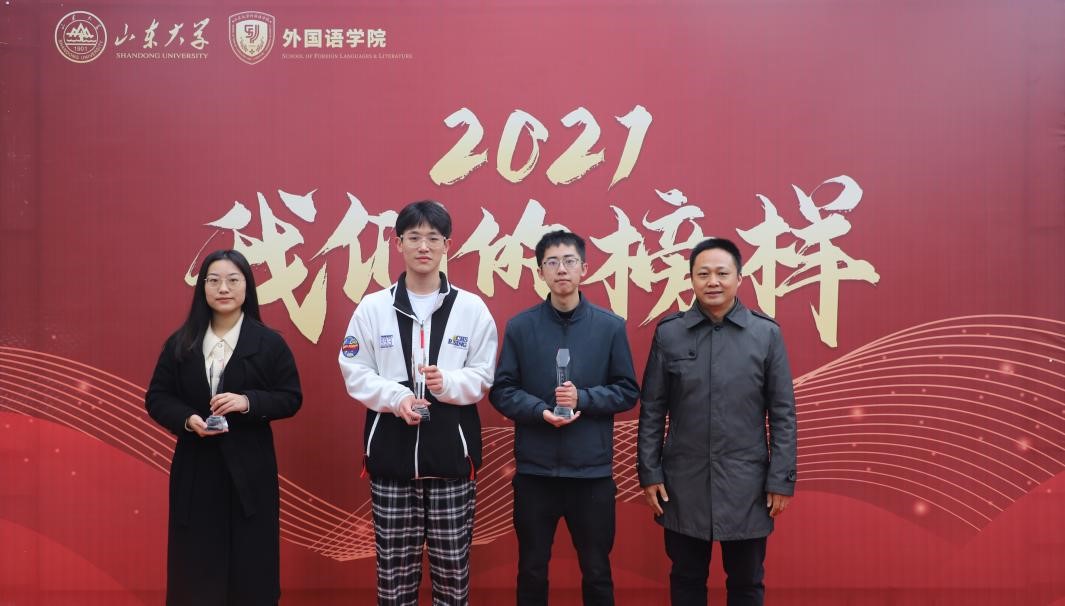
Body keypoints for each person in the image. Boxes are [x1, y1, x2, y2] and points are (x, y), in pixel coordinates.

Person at [338, 200, 498, 606]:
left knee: (453, 576)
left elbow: (483, 374)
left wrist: (448, 383)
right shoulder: (373, 308)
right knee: (393, 578)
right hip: (391, 460)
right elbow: (354, 369)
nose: (423, 246)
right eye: (414, 238)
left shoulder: (471, 309)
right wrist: (397, 397)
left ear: (447, 245)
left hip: (451, 461)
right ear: (398, 244)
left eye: (433, 238)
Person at [637, 237, 797, 606]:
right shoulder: (670, 333)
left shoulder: (765, 334)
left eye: (722, 273)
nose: (713, 282)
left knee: (747, 582)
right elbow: (652, 409)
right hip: (683, 483)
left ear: (739, 278)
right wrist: (649, 472)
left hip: (747, 485)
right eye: (703, 274)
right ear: (691, 279)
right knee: (686, 579)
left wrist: (781, 479)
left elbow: (783, 413)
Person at [490, 230, 639, 606]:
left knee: (597, 571)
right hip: (535, 474)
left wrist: (583, 399)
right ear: (540, 271)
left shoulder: (609, 326)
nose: (561, 270)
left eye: (569, 261)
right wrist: (539, 411)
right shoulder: (521, 327)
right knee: (531, 570)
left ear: (584, 268)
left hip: (591, 475)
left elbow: (627, 390)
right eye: (552, 262)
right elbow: (502, 390)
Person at [146, 249, 303, 606]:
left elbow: (291, 397)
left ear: (247, 287)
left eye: (233, 280)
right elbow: (157, 397)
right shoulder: (181, 343)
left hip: (250, 474)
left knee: (252, 571)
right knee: (195, 572)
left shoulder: (269, 343)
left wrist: (248, 402)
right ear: (202, 287)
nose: (223, 289)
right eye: (214, 281)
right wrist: (188, 419)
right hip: (196, 471)